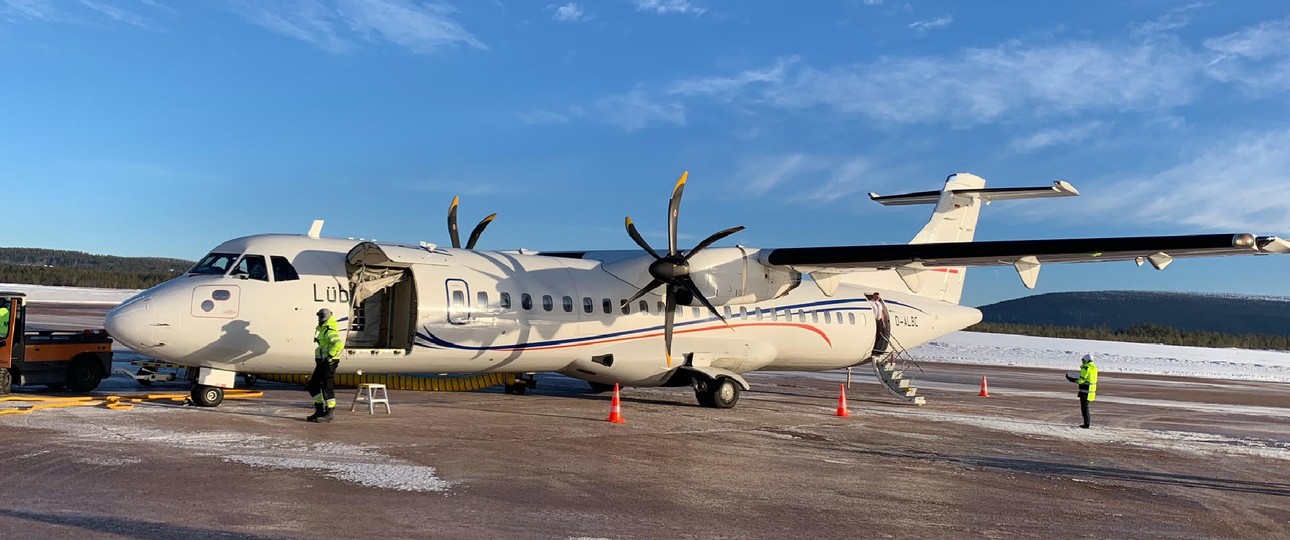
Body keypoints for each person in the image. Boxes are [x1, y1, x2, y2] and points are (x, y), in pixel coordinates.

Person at [307, 308, 343, 423]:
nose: (319, 319)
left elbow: (339, 345)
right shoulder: (322, 329)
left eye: (320, 316)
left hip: (329, 362)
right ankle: (319, 410)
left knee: (327, 386)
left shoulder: (329, 330)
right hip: (322, 361)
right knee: (313, 385)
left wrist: (330, 356)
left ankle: (329, 412)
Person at [1065, 353, 1099, 429]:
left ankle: (1086, 424)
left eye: (1083, 360)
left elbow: (1081, 380)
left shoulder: (1086, 368)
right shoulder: (1094, 368)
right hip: (1091, 390)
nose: (1082, 361)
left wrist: (1072, 379)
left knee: (1084, 408)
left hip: (1085, 391)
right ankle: (1086, 423)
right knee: (1086, 407)